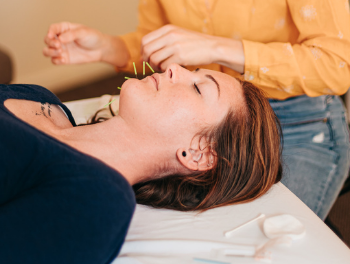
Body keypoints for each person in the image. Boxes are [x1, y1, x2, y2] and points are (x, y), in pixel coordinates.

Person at [42, 0, 350, 221]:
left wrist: (215, 46)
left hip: (298, 123)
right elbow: (160, 42)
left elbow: (337, 64)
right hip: (194, 125)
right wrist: (109, 47)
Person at [0, 64, 282, 264]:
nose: (174, 67)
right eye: (192, 71)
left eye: (198, 88)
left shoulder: (99, 198)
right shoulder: (41, 97)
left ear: (197, 153)